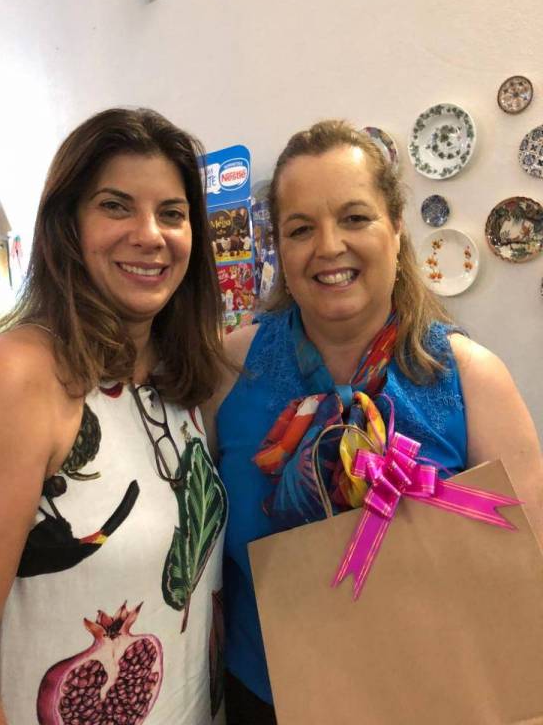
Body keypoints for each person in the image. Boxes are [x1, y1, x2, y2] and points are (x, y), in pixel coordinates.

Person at [202, 120, 543, 725]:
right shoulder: (229, 371)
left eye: (355, 217)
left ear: (396, 227)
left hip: (432, 702)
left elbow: (526, 585)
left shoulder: (471, 379)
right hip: (264, 701)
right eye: (301, 229)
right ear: (279, 248)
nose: (329, 246)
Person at [0, 108, 228, 724]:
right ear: (68, 226)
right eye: (116, 206)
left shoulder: (178, 382)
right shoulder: (16, 377)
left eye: (172, 213)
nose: (150, 234)